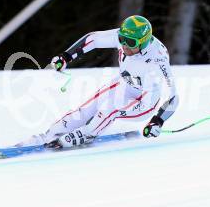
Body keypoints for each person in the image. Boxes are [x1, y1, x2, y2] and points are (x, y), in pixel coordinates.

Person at [25, 15, 179, 148]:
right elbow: (93, 39)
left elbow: (173, 97)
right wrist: (66, 56)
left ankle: (87, 134)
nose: (124, 45)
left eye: (130, 42)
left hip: (146, 100)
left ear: (143, 42)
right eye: (122, 39)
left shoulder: (158, 60)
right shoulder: (125, 37)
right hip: (125, 84)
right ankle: (48, 136)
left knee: (109, 109)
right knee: (85, 110)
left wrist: (157, 121)